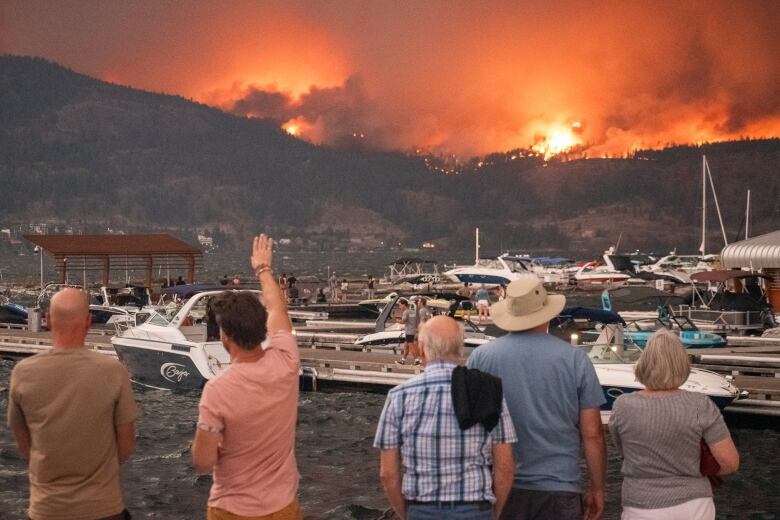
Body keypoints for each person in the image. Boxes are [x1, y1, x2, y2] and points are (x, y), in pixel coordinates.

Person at [467, 278, 607, 520]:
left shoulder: (480, 358)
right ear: (547, 314)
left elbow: (469, 426)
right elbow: (592, 433)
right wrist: (597, 489)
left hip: (497, 486)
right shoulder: (575, 360)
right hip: (559, 486)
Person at [192, 234, 302, 520]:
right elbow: (278, 308)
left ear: (225, 337)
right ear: (262, 329)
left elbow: (202, 462)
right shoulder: (286, 360)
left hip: (231, 509)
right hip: (282, 508)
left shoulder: (217, 390)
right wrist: (263, 269)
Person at [8, 288, 137, 520]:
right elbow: (126, 443)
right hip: (103, 507)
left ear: (47, 319)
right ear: (88, 322)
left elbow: (23, 442)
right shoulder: (114, 372)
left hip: (46, 509)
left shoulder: (23, 373)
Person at [375, 316, 517, 520]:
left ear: (421, 348)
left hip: (422, 508)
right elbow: (505, 466)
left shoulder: (399, 396)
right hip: (474, 508)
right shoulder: (486, 389)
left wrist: (406, 513)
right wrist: (494, 513)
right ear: (460, 348)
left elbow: (387, 474)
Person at [609, 330, 739, 520]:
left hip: (641, 504)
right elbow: (730, 462)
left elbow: (623, 453)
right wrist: (699, 468)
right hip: (694, 505)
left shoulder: (622, 406)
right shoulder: (700, 404)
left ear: (644, 362)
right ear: (682, 364)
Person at [395, 299, 419, 365]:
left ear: (403, 305)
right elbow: (416, 322)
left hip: (409, 332)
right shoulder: (413, 312)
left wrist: (397, 321)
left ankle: (417, 361)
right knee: (406, 346)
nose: (399, 307)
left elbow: (403, 321)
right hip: (413, 331)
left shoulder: (405, 312)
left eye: (400, 305)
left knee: (411, 347)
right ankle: (403, 360)